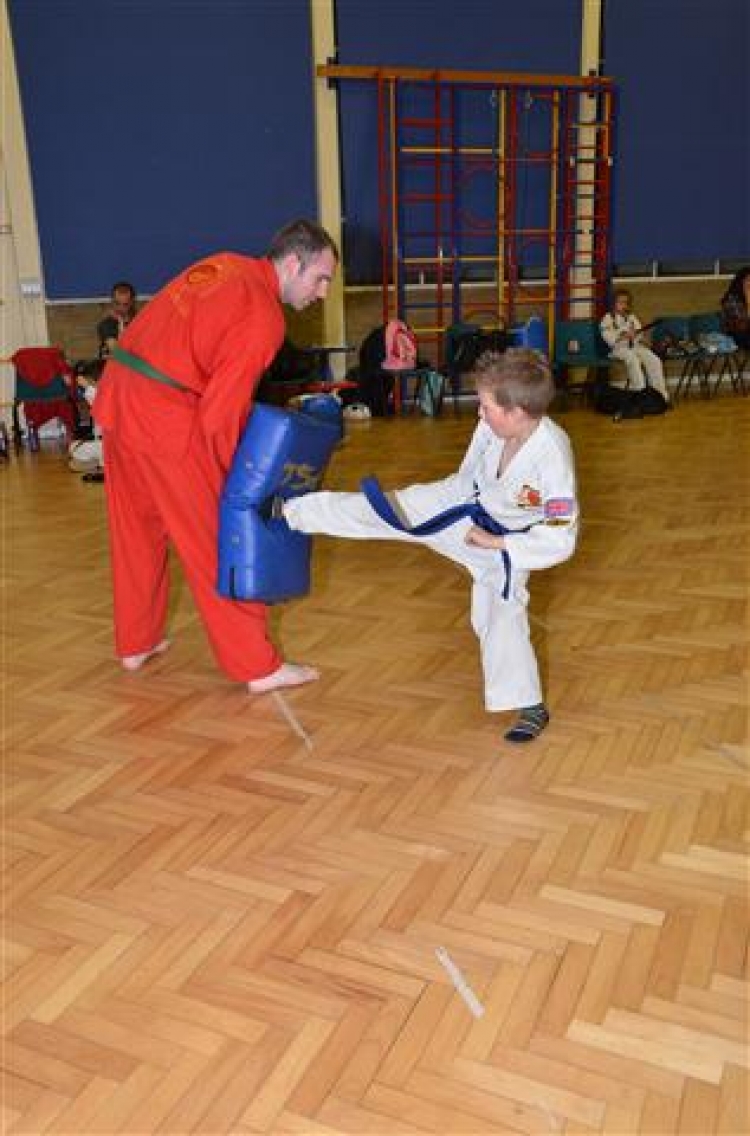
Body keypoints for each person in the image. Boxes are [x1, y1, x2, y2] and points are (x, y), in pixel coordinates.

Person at [284, 348, 578, 743]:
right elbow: (471, 469)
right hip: (460, 503)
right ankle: (293, 511)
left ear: (517, 412)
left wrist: (499, 542)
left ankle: (529, 705)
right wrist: (448, 501)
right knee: (387, 510)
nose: (479, 413)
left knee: (500, 617)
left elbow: (560, 537)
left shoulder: (552, 456)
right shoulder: (494, 424)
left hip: (503, 544)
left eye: (487, 407)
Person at [93, 219, 338, 691]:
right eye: (320, 278)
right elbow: (220, 415)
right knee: (217, 540)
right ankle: (257, 666)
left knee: (137, 527)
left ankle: (136, 642)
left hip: (118, 397)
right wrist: (236, 489)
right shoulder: (264, 316)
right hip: (163, 417)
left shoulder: (224, 264)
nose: (322, 292)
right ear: (292, 263)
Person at [599, 288, 671, 403]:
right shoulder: (608, 318)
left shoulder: (631, 317)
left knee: (654, 360)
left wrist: (639, 337)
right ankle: (640, 394)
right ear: (613, 304)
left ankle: (661, 397)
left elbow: (639, 335)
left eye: (626, 302)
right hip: (618, 349)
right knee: (633, 359)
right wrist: (623, 335)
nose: (623, 305)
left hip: (635, 347)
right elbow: (608, 338)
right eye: (620, 302)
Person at [97, 280, 139, 358]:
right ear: (112, 301)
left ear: (132, 302)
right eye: (117, 303)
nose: (120, 308)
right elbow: (117, 352)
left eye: (125, 304)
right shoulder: (106, 325)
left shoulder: (140, 322)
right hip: (113, 364)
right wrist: (121, 324)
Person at [720, 267, 750, 350]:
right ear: (740, 282)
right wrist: (748, 301)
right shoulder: (732, 299)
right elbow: (743, 324)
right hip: (734, 334)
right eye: (748, 280)